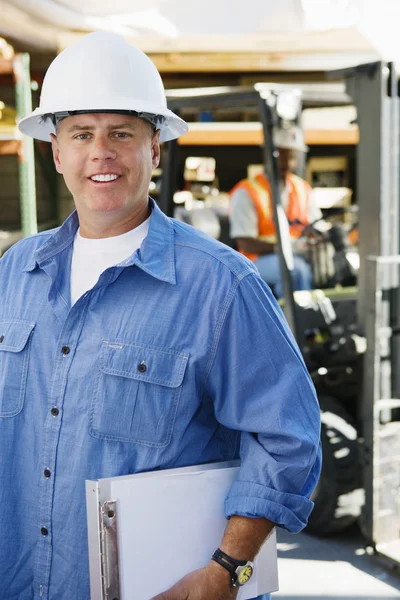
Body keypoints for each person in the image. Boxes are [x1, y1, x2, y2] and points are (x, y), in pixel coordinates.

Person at [0, 32, 321, 600]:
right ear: (55, 151)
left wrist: (228, 568)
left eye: (121, 133)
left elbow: (287, 439)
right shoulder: (16, 271)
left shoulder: (221, 286)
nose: (101, 152)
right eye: (81, 134)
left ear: (154, 149)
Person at [229, 126, 323, 297]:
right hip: (255, 261)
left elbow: (316, 226)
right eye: (281, 156)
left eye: (292, 157)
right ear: (267, 154)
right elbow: (244, 242)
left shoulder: (302, 188)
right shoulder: (247, 191)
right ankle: (298, 324)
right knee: (295, 271)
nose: (287, 164)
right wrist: (285, 249)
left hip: (298, 256)